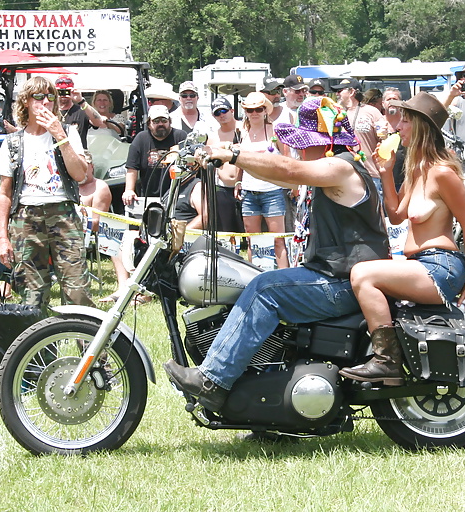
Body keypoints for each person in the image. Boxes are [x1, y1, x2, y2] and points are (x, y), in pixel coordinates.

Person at [163, 96, 389, 412]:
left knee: (263, 289)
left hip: (344, 281)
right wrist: (230, 162)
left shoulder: (341, 167)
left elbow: (288, 168)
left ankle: (212, 379)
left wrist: (232, 152)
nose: (298, 150)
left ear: (325, 144)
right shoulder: (335, 169)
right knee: (261, 280)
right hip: (338, 276)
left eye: (305, 144)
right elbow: (282, 174)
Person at [339, 92, 465, 385]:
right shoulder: (416, 169)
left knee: (363, 274)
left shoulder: (442, 172)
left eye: (404, 121)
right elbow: (396, 215)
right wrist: (386, 173)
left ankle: (386, 361)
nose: (397, 127)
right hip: (420, 264)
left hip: (440, 267)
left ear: (420, 127)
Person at [0, 76, 94, 307]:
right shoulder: (13, 142)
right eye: (38, 96)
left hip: (64, 215)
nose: (45, 102)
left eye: (50, 97)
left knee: (77, 291)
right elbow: (4, 193)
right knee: (31, 295)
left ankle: (88, 343)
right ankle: (40, 343)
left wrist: (60, 137)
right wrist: (2, 238)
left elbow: (80, 175)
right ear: (26, 102)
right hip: (26, 219)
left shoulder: (67, 132)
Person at [238, 92, 288, 269]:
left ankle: (284, 279)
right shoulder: (242, 131)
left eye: (258, 109)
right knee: (252, 240)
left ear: (265, 110)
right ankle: (255, 278)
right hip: (248, 190)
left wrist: (291, 183)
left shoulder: (275, 129)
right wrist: (238, 181)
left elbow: (287, 157)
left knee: (278, 241)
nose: (254, 113)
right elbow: (239, 159)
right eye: (250, 109)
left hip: (272, 190)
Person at [79, 151, 131, 305]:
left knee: (116, 235)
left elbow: (97, 222)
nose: (81, 169)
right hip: (60, 229)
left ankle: (123, 286)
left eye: (85, 166)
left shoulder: (99, 187)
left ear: (92, 167)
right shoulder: (67, 185)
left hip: (87, 231)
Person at [122, 105, 188, 208]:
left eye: (164, 120)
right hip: (149, 197)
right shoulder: (141, 139)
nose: (161, 124)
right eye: (156, 121)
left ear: (170, 121)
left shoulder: (181, 137)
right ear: (149, 123)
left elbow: (191, 166)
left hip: (177, 195)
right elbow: (132, 168)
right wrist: (129, 190)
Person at [203, 96, 244, 234]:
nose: (221, 115)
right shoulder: (213, 137)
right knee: (227, 230)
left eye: (224, 111)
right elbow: (207, 162)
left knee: (247, 228)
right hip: (222, 187)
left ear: (232, 110)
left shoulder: (244, 129)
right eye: (217, 113)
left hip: (245, 185)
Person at [55, 76, 108, 146]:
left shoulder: (82, 110)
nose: (63, 95)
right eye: (60, 92)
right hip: (56, 153)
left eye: (67, 91)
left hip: (78, 153)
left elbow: (99, 122)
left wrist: (81, 101)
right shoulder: (51, 111)